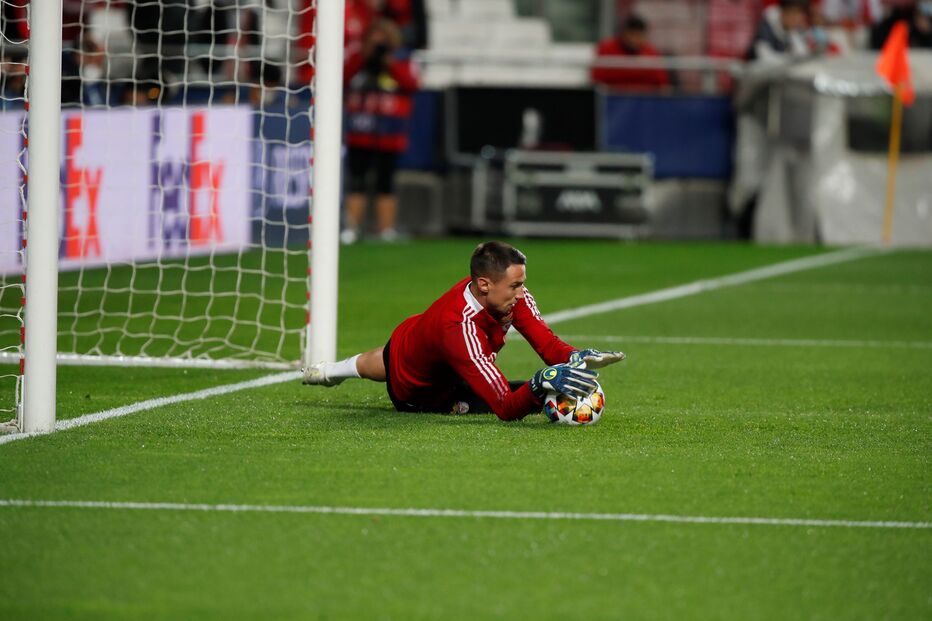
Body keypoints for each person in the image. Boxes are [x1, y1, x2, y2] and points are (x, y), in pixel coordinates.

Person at [302, 241, 626, 421]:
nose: (522, 293)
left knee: (387, 359)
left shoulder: (505, 295)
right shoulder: (459, 328)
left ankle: (329, 371)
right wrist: (539, 383)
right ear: (484, 285)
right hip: (423, 393)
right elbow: (505, 407)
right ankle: (331, 371)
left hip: (413, 337)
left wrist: (575, 356)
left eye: (522, 283)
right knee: (532, 393)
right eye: (515, 285)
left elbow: (546, 342)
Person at [341, 18, 419, 243]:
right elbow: (342, 76)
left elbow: (412, 84)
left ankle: (386, 229)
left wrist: (388, 61)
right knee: (357, 179)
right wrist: (364, 57)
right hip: (360, 129)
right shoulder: (357, 58)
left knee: (386, 181)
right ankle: (351, 229)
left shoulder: (402, 59)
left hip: (390, 131)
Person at [591, 15, 670, 91]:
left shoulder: (651, 52)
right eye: (632, 34)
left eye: (639, 35)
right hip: (612, 98)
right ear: (623, 34)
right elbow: (597, 82)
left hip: (645, 98)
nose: (634, 39)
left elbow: (662, 85)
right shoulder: (607, 49)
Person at [746, 0, 812, 62]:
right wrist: (790, 58)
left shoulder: (791, 28)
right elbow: (764, 57)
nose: (798, 19)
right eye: (795, 13)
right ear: (783, 11)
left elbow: (802, 53)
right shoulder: (765, 25)